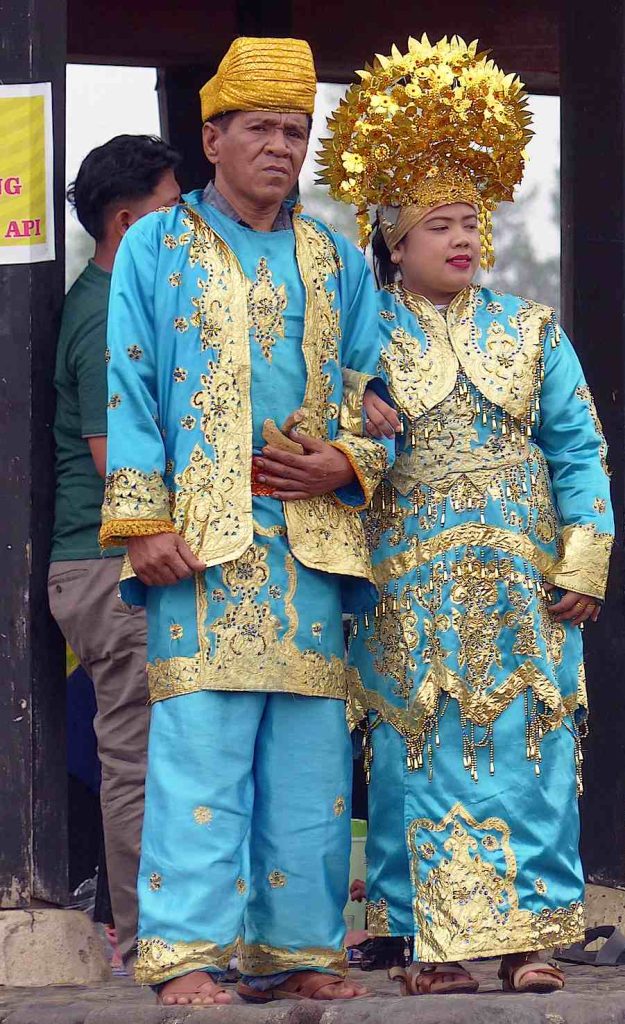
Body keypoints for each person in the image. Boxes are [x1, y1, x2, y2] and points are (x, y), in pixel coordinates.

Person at [99, 36, 391, 1006]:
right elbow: (131, 388)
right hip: (202, 549)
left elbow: (373, 391)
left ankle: (300, 949)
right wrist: (143, 520)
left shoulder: (336, 259)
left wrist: (345, 456)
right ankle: (186, 954)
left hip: (309, 548)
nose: (281, 147)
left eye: (295, 131)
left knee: (309, 766)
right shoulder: (157, 245)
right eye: (260, 128)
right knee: (200, 752)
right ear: (211, 136)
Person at [320, 35, 614, 995]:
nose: (461, 238)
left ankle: (530, 941)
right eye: (438, 223)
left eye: (472, 222)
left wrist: (583, 557)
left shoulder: (530, 332)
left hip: (525, 578)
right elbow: (342, 446)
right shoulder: (361, 337)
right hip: (410, 577)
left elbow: (578, 447)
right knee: (419, 747)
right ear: (393, 240)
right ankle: (424, 947)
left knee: (532, 743)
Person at [49, 134, 181, 971]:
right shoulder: (104, 314)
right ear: (127, 224)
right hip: (115, 562)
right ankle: (148, 944)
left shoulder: (118, 303)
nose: (186, 230)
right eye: (172, 212)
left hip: (117, 560)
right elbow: (116, 462)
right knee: (140, 758)